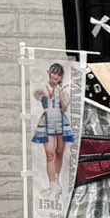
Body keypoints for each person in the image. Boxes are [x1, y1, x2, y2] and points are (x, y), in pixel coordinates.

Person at [33, 63, 74, 196]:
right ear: (49, 72)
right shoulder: (42, 86)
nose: (56, 76)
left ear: (61, 76)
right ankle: (53, 186)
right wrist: (47, 93)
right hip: (47, 121)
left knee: (59, 152)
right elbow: (38, 92)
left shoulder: (64, 90)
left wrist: (60, 92)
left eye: (59, 74)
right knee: (50, 154)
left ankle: (56, 182)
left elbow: (64, 108)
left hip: (61, 122)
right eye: (54, 73)